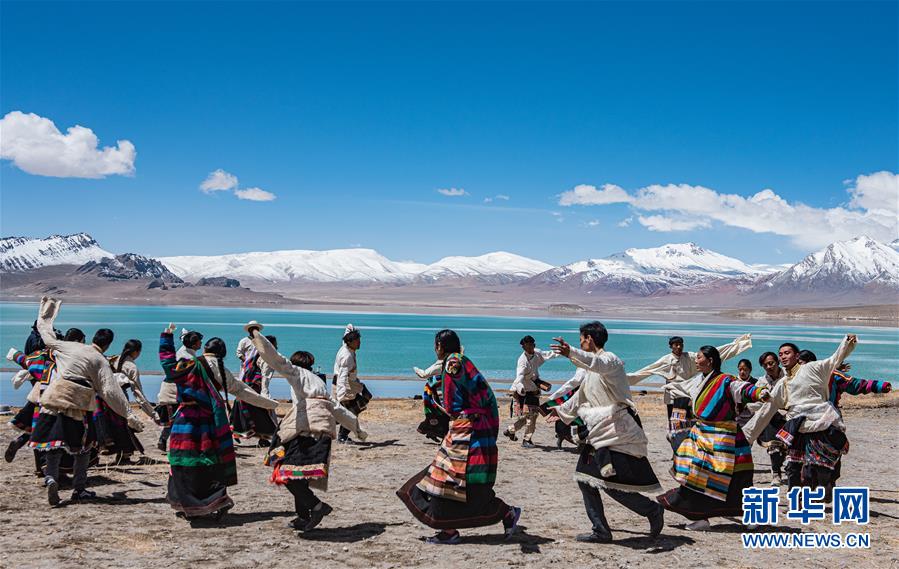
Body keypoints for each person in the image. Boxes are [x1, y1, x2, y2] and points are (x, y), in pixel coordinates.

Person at [397, 329, 521, 545]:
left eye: (435, 345)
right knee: (446, 478)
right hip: (467, 430)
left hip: (468, 432)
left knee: (449, 478)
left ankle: (462, 526)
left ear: (439, 346)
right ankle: (452, 528)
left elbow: (455, 389)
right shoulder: (458, 361)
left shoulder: (453, 363)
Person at [244, 322, 366, 531]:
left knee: (286, 473)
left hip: (308, 430)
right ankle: (303, 516)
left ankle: (317, 507)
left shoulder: (296, 373)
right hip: (321, 431)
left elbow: (274, 357)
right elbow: (336, 408)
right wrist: (357, 428)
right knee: (299, 475)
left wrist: (254, 334)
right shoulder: (318, 382)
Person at [549, 322, 664, 543]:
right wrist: (561, 410)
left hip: (618, 432)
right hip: (599, 432)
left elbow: (596, 362)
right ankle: (601, 530)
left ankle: (652, 510)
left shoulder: (610, 361)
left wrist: (571, 352)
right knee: (586, 479)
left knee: (612, 483)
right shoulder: (591, 372)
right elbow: (581, 396)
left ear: (589, 339)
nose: (580, 343)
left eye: (581, 339)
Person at [28, 297, 144, 506]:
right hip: (78, 402)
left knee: (53, 445)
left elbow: (46, 334)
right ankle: (79, 489)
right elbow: (110, 391)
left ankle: (51, 478)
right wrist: (129, 415)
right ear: (107, 344)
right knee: (83, 447)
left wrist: (47, 312)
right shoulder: (99, 360)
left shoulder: (68, 347)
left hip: (53, 398)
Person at [160, 324, 279, 520]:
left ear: (205, 348)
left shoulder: (189, 364)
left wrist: (166, 338)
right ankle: (213, 500)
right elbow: (243, 391)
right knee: (208, 458)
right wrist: (270, 404)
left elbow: (168, 366)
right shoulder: (222, 370)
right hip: (209, 421)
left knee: (181, 459)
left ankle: (186, 502)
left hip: (185, 422)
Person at [656, 346, 769, 531]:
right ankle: (700, 518)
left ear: (710, 360)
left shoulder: (726, 380)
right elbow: (683, 387)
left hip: (726, 437)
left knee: (737, 478)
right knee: (695, 474)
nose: (696, 360)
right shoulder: (699, 380)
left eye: (699, 357)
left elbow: (742, 389)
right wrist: (668, 385)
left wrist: (759, 393)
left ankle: (751, 516)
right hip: (702, 434)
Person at [743, 336, 857, 499]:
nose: (783, 356)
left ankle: (820, 494)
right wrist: (746, 437)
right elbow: (766, 410)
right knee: (793, 468)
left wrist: (847, 342)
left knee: (820, 470)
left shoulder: (812, 368)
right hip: (798, 427)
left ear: (797, 356)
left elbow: (834, 360)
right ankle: (798, 501)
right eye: (780, 354)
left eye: (787, 353)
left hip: (820, 423)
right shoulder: (783, 383)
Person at [627, 333, 752, 452]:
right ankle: (677, 450)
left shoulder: (690, 357)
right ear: (671, 347)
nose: (679, 347)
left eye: (681, 344)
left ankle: (688, 448)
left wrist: (737, 345)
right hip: (673, 397)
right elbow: (648, 370)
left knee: (690, 423)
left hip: (688, 395)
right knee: (675, 425)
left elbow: (715, 354)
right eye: (676, 345)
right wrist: (626, 379)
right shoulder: (666, 360)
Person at [503, 335, 558, 448]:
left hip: (535, 391)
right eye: (526, 346)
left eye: (531, 345)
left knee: (530, 416)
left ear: (534, 345)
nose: (529, 348)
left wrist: (562, 352)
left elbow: (548, 354)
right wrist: (514, 389)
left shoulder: (537, 353)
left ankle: (510, 430)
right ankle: (526, 440)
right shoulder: (522, 361)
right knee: (531, 417)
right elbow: (519, 376)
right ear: (523, 347)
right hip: (525, 392)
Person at [230, 325, 280, 446]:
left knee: (252, 412)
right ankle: (265, 437)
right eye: (275, 344)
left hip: (250, 383)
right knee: (263, 413)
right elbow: (265, 377)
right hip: (257, 386)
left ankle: (256, 436)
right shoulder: (266, 358)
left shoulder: (256, 354)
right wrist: (265, 394)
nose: (277, 346)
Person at [746, 352, 788, 485]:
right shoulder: (761, 382)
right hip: (771, 419)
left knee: (789, 447)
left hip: (789, 416)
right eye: (765, 365)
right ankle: (776, 473)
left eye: (771, 363)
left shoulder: (788, 376)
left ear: (778, 362)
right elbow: (755, 402)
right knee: (773, 445)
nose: (769, 367)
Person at [156, 330, 203, 452]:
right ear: (194, 344)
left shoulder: (185, 353)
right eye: (199, 341)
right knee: (177, 420)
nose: (201, 343)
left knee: (174, 420)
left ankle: (164, 440)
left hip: (172, 391)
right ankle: (169, 442)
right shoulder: (188, 358)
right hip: (174, 392)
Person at [333, 324, 371, 444]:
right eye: (357, 341)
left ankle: (340, 428)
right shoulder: (346, 356)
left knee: (364, 399)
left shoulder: (347, 346)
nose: (360, 343)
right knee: (353, 410)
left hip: (352, 384)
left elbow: (347, 334)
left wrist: (350, 328)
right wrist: (341, 394)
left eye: (359, 340)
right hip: (345, 386)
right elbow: (342, 377)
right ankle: (342, 435)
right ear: (350, 342)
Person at [539, 368, 588, 449]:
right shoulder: (583, 369)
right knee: (570, 417)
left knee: (574, 418)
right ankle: (573, 440)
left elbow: (575, 381)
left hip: (579, 396)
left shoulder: (585, 368)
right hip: (576, 395)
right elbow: (576, 380)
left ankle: (579, 441)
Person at [414, 358, 449, 443]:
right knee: (436, 413)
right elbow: (424, 374)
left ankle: (432, 432)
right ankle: (433, 432)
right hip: (433, 392)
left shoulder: (448, 363)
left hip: (441, 391)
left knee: (438, 414)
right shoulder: (440, 365)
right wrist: (416, 369)